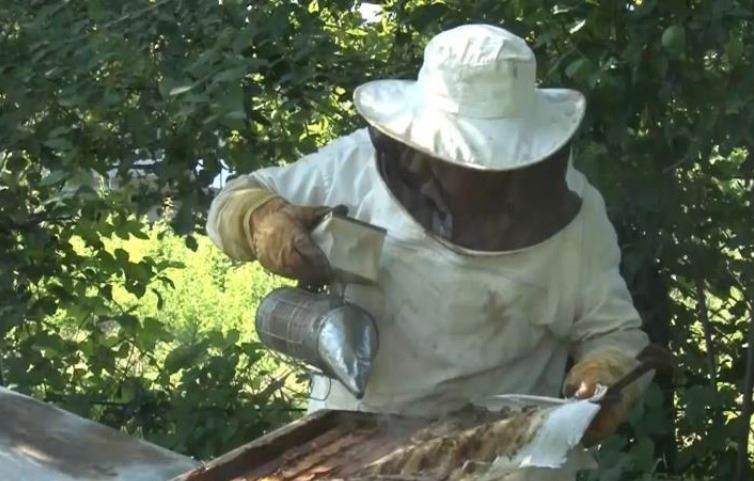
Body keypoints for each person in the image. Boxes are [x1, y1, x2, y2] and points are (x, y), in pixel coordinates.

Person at [206, 23, 653, 444]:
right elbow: (230, 202)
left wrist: (607, 374)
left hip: (500, 462)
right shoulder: (355, 166)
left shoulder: (575, 215)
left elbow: (614, 332)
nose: (472, 173)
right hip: (347, 442)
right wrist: (261, 218)